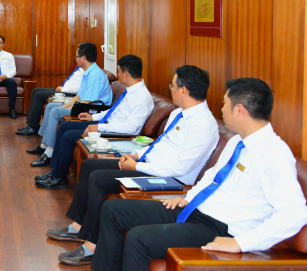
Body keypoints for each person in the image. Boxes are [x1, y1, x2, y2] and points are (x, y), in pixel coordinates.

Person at [92, 77, 307, 271]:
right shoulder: (237, 141)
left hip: (219, 227)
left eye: (225, 104)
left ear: (239, 110)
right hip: (195, 208)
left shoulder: (274, 154)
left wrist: (241, 243)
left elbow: (294, 215)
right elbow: (213, 176)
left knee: (139, 239)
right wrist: (188, 198)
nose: (221, 109)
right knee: (114, 210)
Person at [46, 65, 219, 266]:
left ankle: (92, 246)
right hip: (149, 165)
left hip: (168, 179)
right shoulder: (179, 114)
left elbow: (179, 168)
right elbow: (159, 145)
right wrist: (137, 155)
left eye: (172, 85)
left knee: (99, 179)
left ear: (183, 90)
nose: (170, 89)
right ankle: (79, 226)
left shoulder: (203, 124)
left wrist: (137, 167)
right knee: (90, 166)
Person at [29, 54, 152, 169]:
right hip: (107, 125)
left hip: (116, 133)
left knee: (69, 135)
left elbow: (131, 128)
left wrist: (99, 127)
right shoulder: (130, 91)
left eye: (118, 71)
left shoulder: (141, 97)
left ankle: (57, 177)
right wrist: (93, 117)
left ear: (126, 74)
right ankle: (53, 169)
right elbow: (112, 111)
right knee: (64, 127)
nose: (118, 74)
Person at [29, 43, 113, 168]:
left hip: (92, 110)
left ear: (83, 58)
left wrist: (66, 109)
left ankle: (49, 153)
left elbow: (88, 101)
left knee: (55, 111)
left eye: (76, 56)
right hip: (84, 106)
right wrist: (64, 107)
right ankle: (44, 145)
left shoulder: (95, 75)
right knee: (52, 106)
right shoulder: (88, 72)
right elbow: (79, 97)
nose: (75, 59)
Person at [16, 65, 84, 136]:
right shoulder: (80, 68)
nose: (76, 60)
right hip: (65, 89)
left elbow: (79, 89)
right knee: (35, 90)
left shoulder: (85, 70)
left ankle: (33, 127)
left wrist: (63, 89)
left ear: (83, 59)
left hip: (69, 93)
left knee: (39, 95)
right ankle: (30, 125)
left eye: (77, 58)